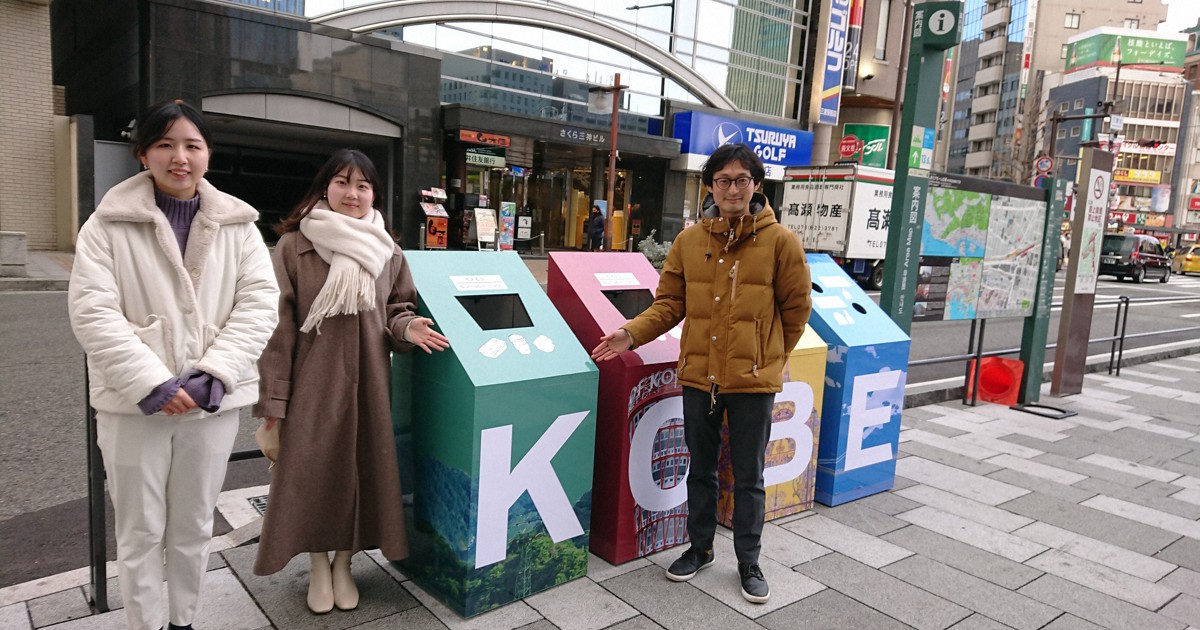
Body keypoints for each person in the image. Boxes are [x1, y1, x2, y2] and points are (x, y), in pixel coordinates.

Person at [68, 99, 280, 630]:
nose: (179, 157)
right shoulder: (106, 225)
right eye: (165, 144)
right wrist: (152, 382)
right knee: (139, 529)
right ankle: (146, 624)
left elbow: (259, 305)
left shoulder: (239, 225)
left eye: (192, 145)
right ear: (143, 154)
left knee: (194, 522)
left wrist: (215, 373)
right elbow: (92, 311)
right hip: (133, 405)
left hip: (209, 404)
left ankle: (183, 620)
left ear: (208, 153)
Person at [591, 143, 811, 604]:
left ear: (756, 185)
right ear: (709, 186)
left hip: (753, 381)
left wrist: (768, 357)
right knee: (700, 469)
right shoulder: (689, 242)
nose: (732, 189)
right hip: (699, 376)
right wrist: (630, 334)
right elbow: (669, 304)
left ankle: (749, 561)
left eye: (742, 180)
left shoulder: (781, 242)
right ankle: (701, 548)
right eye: (723, 180)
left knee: (749, 476)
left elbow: (796, 311)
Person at [252, 149, 450, 614]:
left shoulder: (388, 251)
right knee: (312, 477)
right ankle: (318, 564)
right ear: (325, 187)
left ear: (374, 194)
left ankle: (344, 562)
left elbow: (396, 309)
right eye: (342, 182)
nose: (352, 193)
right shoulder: (294, 246)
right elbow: (277, 331)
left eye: (363, 185)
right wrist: (273, 405)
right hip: (311, 389)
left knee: (363, 474)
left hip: (369, 387)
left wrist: (407, 327)